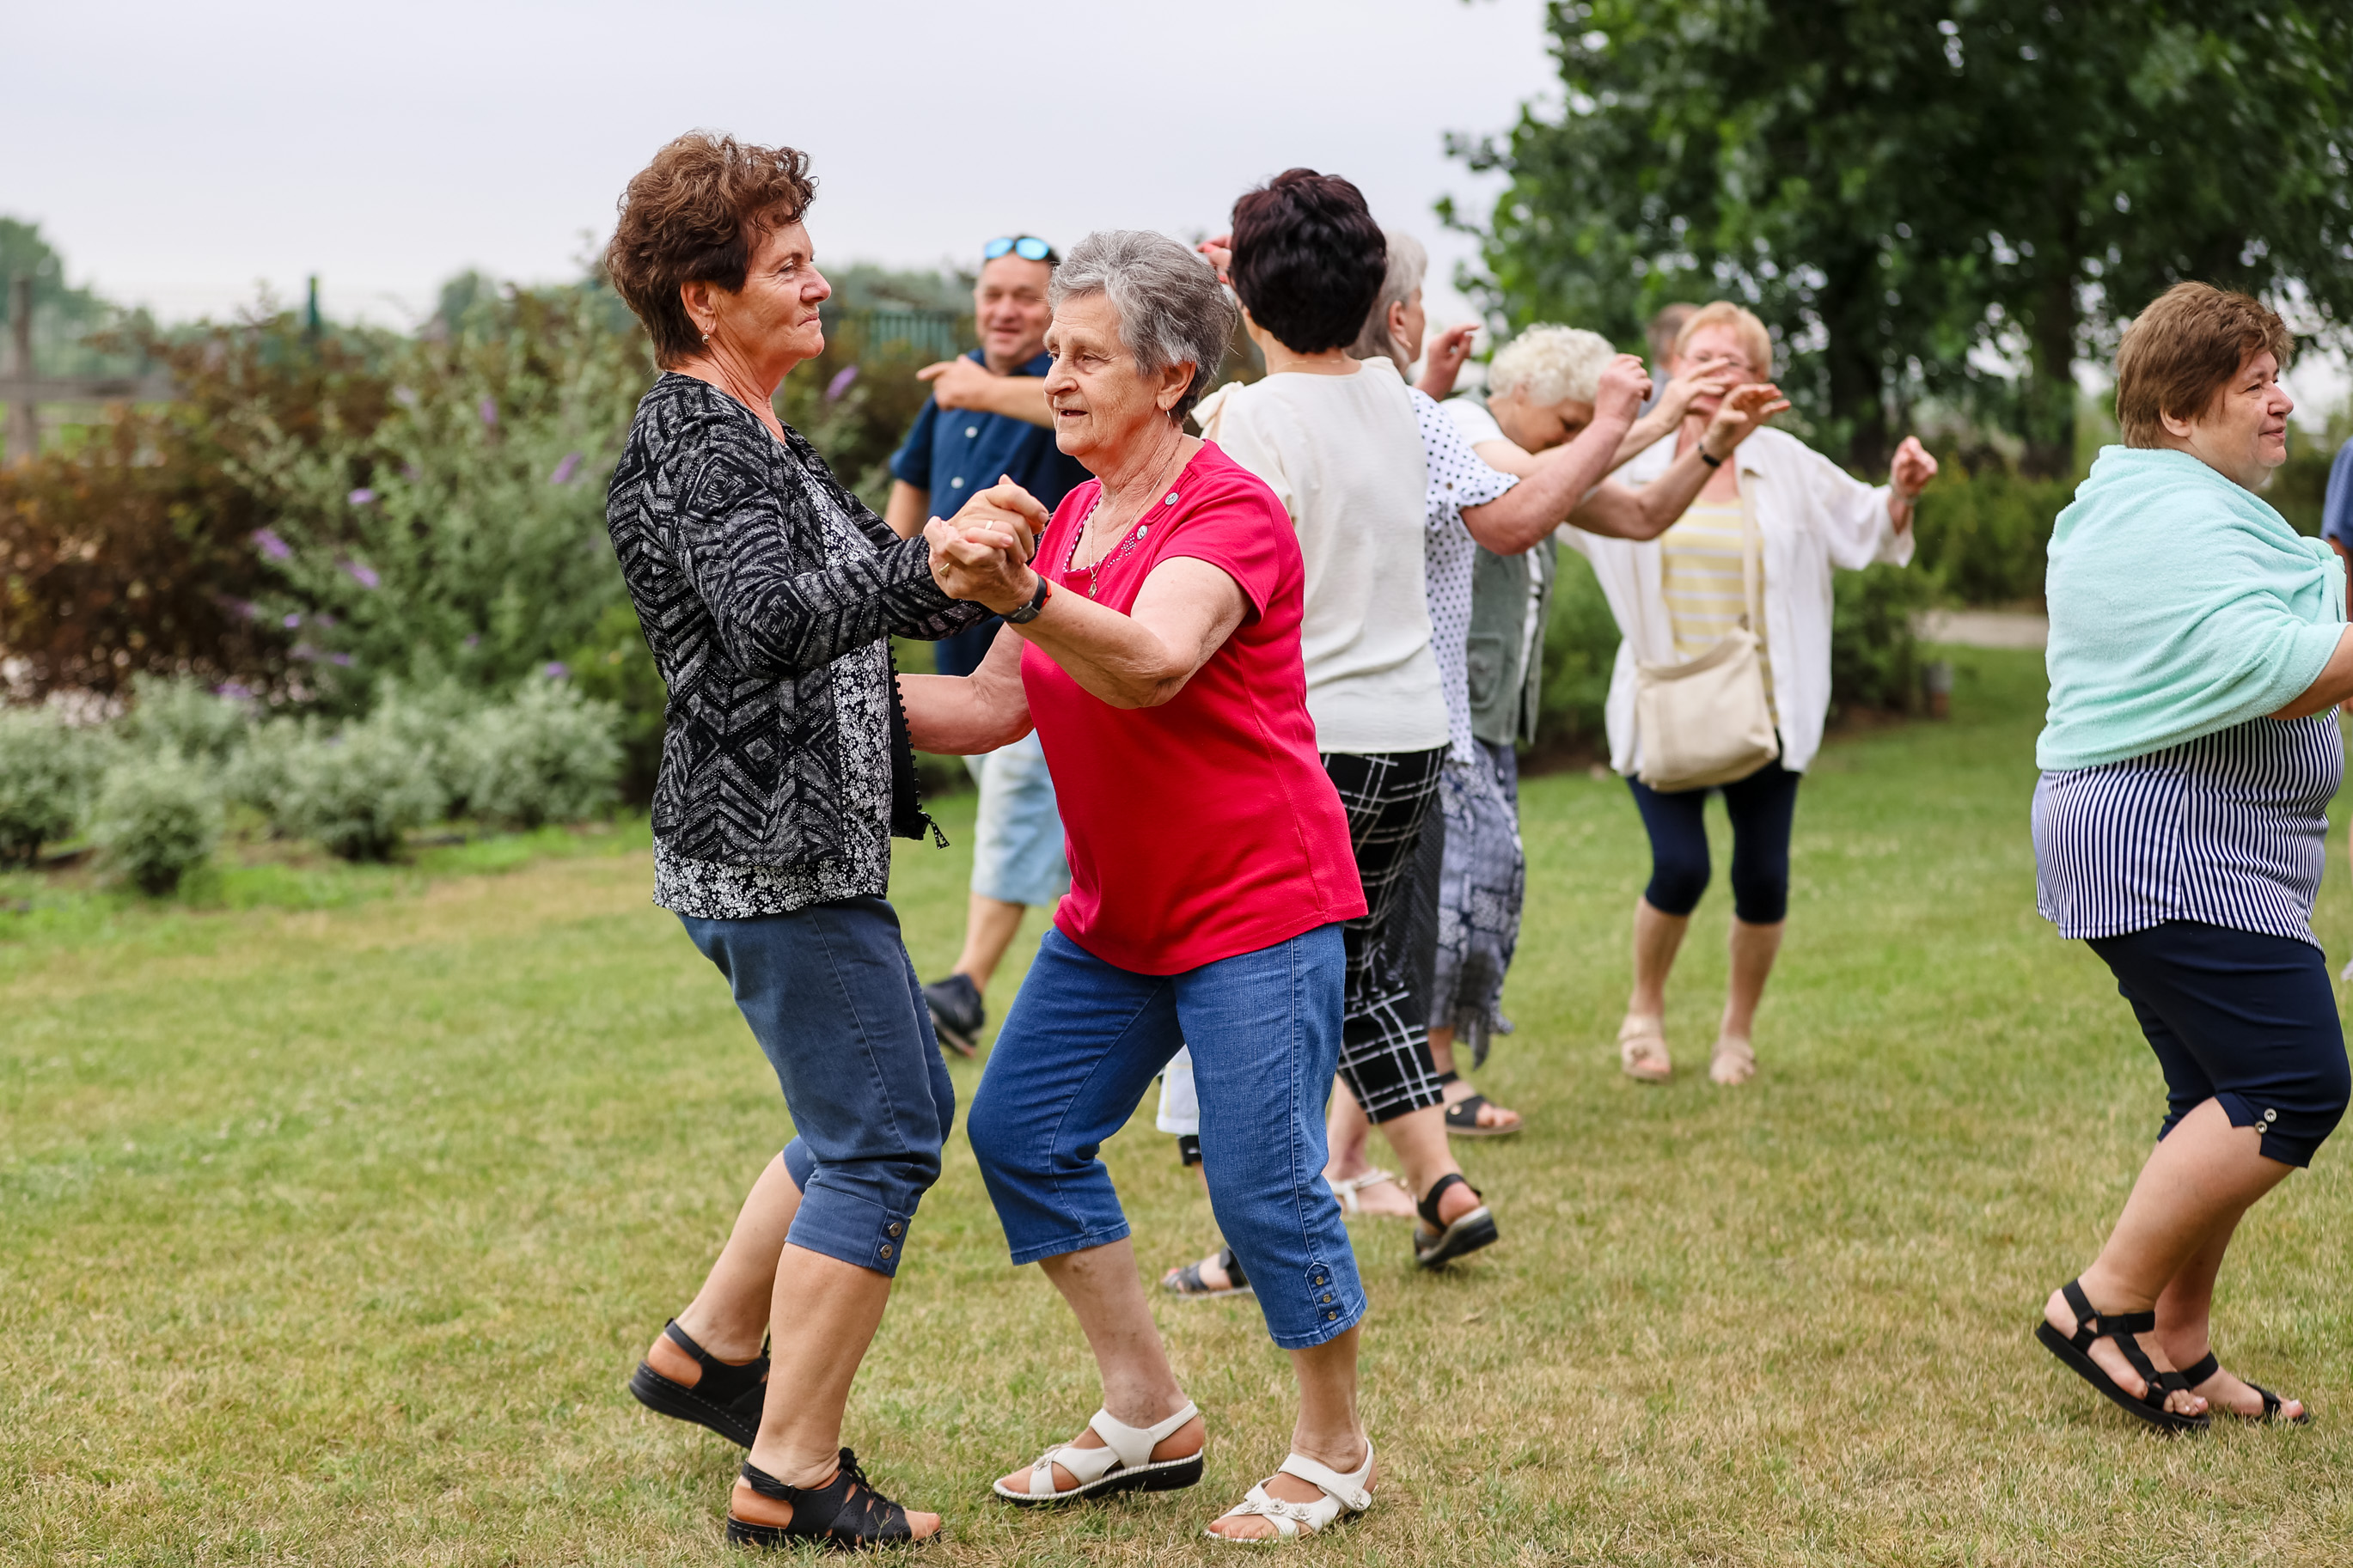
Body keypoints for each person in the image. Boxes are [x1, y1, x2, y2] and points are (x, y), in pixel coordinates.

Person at [899, 228, 1379, 1541]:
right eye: (1051, 353)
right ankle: (1148, 1411)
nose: (1054, 378)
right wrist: (811, 704)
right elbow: (993, 707)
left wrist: (1025, 595)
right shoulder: (1071, 516)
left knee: (1262, 1184)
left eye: (1085, 356)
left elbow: (1157, 659)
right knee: (1020, 1133)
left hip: (1255, 906)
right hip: (1119, 917)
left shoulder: (1229, 511)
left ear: (1171, 376)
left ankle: (1333, 1449)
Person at [1181, 171, 1718, 1273]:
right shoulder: (1408, 408)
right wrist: (1617, 422)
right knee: (1364, 968)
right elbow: (1512, 514)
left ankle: (1257, 1243)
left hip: (1302, 746)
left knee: (1279, 987)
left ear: (1253, 299)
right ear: (1381, 304)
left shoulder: (1242, 417)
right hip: (1414, 738)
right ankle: (1441, 1186)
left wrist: (1226, 299)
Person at [602, 132, 995, 1550]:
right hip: (770, 857)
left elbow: (856, 607)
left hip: (797, 846)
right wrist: (928, 564)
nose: (818, 283)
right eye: (787, 265)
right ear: (704, 297)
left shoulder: (757, 433)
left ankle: (706, 1351)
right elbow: (770, 622)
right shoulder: (698, 440)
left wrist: (980, 565)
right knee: (881, 1136)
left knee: (872, 1110)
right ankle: (787, 1471)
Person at [2032, 281, 2350, 1431]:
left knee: (2216, 1093)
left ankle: (2178, 1343)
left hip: (2177, 843)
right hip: (2161, 846)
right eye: (2254, 384)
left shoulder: (2171, 511)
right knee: (2293, 1084)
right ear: (2175, 409)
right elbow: (2266, 668)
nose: (2281, 403)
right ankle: (2098, 1303)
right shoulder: (2163, 521)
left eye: (2278, 380)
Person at [1588, 302, 1934, 1086]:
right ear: (1673, 368)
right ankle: (1644, 1009)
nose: (1717, 372)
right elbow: (1552, 488)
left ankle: (1736, 1032)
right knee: (1680, 867)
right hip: (1663, 706)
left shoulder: (1787, 463)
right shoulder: (1635, 461)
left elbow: (1866, 523)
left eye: (1735, 361)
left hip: (1769, 709)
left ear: (1762, 380)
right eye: (1702, 358)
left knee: (1763, 878)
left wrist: (1901, 491)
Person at [883, 235, 1092, 1054]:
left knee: (1015, 807)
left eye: (1025, 297)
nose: (1005, 310)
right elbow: (910, 482)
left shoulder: (1066, 382)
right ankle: (1151, 983)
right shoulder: (954, 383)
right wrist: (881, 585)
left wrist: (985, 390)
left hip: (1042, 649)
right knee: (1071, 837)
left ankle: (963, 990)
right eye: (993, 294)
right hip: (956, 659)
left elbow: (1086, 410)